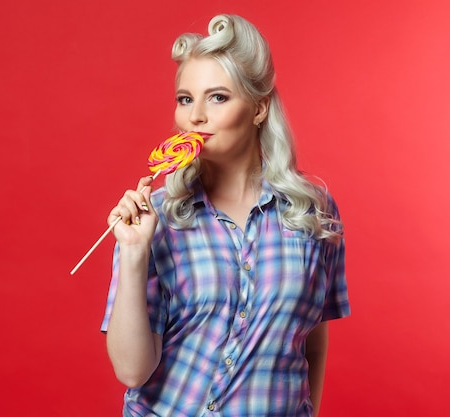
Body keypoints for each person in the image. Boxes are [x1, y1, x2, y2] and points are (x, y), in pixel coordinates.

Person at [101, 13, 350, 417]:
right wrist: (133, 253)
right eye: (185, 99)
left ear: (258, 108)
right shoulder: (155, 217)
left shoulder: (312, 211)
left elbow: (312, 341)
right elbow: (132, 371)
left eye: (217, 97)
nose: (195, 116)